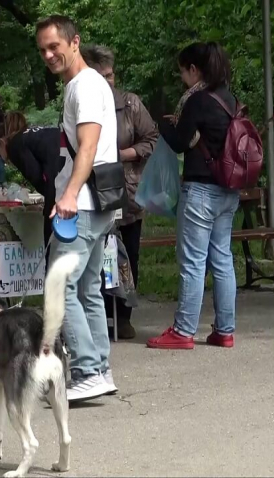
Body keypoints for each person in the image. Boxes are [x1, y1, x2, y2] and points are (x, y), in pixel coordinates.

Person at [36, 15, 119, 401]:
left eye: (54, 46)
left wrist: (68, 195)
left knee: (60, 286)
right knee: (88, 289)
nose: (49, 54)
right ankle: (99, 369)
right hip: (97, 204)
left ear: (74, 42)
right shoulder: (87, 84)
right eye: (43, 49)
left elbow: (87, 146)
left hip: (82, 205)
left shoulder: (83, 86)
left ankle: (87, 369)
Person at [148, 42, 240, 350]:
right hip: (228, 190)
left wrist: (162, 123)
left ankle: (184, 330)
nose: (181, 79)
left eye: (182, 73)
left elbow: (179, 142)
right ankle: (225, 330)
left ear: (193, 69)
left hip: (200, 189)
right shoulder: (229, 98)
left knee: (193, 261)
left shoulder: (197, 100)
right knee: (223, 259)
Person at [82, 44, 159, 339]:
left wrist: (125, 153)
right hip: (93, 191)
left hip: (127, 191)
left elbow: (152, 138)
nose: (107, 81)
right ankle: (99, 315)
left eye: (110, 75)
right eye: (100, 76)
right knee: (96, 254)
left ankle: (124, 315)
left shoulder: (130, 104)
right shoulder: (82, 104)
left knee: (129, 253)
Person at [0, 111, 63, 244]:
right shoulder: (34, 133)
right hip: (77, 177)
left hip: (58, 187)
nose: (2, 158)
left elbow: (37, 178)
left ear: (2, 143)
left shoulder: (15, 145)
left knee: (53, 245)